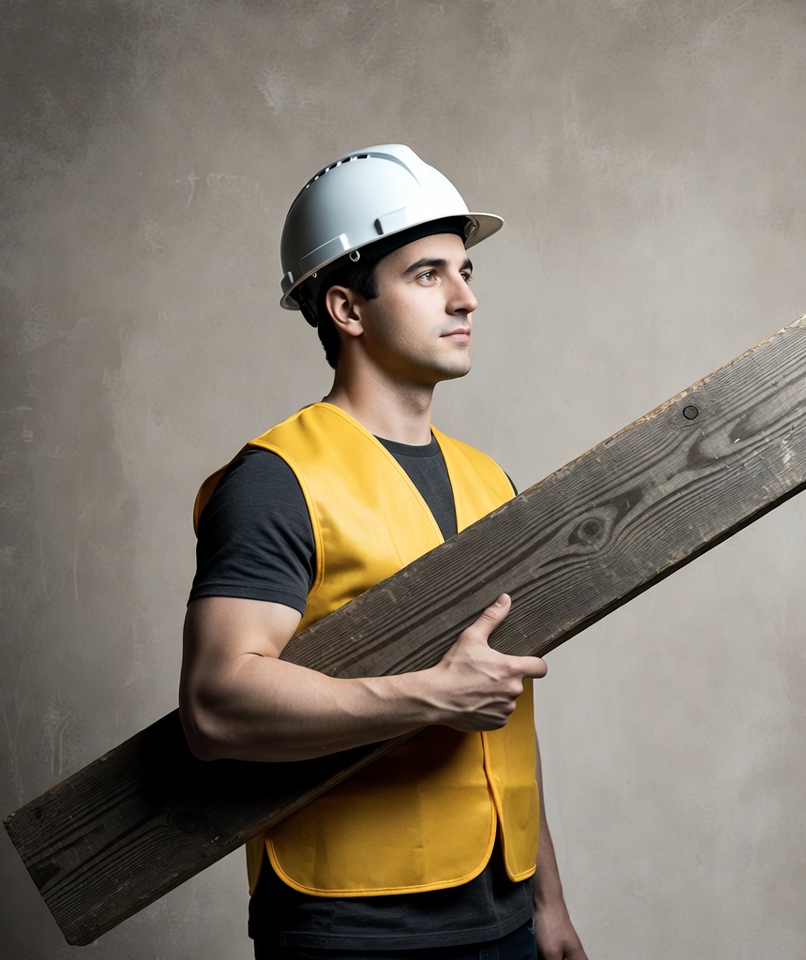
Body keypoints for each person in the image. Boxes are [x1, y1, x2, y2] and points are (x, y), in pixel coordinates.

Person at [179, 144, 587, 960]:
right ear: (347, 308)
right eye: (427, 275)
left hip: (504, 915)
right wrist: (430, 697)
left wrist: (549, 900)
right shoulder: (276, 481)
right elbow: (217, 704)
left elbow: (499, 699)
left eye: (466, 272)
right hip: (351, 929)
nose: (467, 298)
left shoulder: (489, 480)